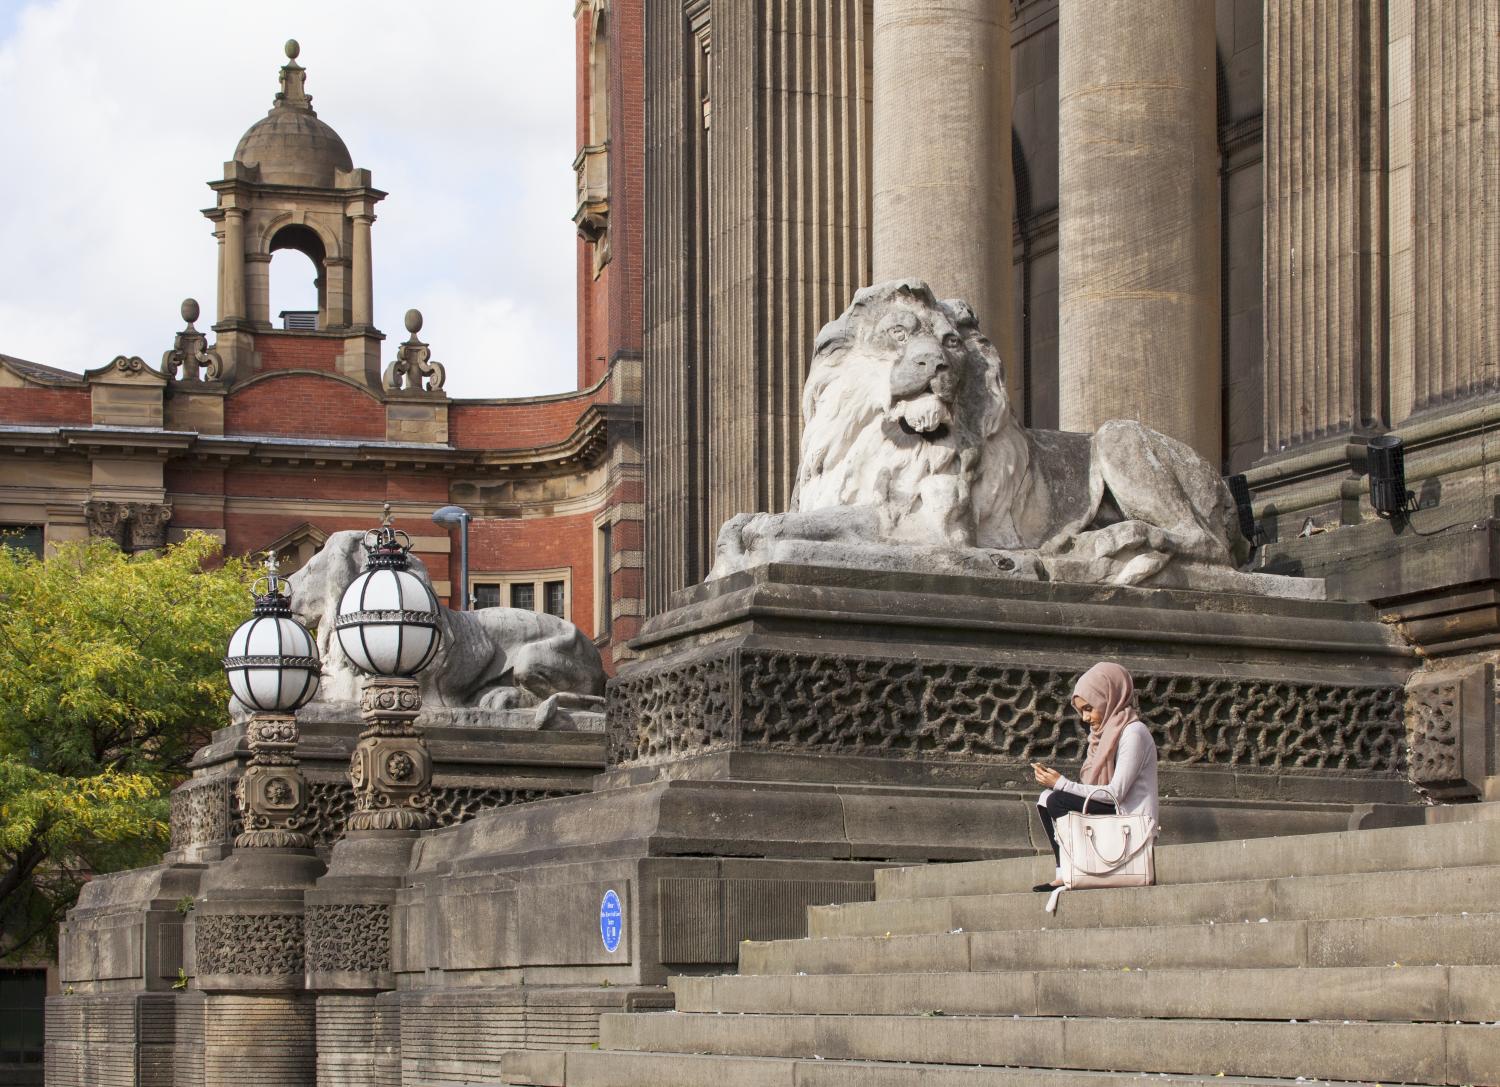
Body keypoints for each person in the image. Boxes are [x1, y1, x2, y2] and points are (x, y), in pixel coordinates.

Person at [1030, 661, 1159, 892]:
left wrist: (1061, 783)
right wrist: (1056, 785)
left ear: (1108, 698)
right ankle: (1063, 872)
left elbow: (1115, 793)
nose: (1085, 718)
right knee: (1045, 797)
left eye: (1089, 708)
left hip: (1130, 817)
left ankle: (1076, 868)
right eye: (1081, 711)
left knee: (1056, 798)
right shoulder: (1102, 736)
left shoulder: (1133, 732)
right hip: (1114, 809)